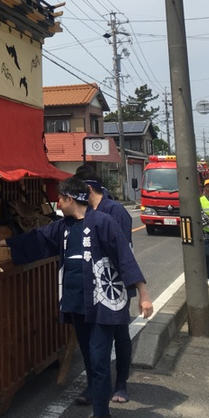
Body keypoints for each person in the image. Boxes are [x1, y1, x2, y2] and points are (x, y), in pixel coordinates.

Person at [0, 176, 153, 418]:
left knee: (100, 358)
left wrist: (143, 295)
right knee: (90, 358)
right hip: (78, 302)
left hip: (102, 302)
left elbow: (125, 256)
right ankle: (103, 411)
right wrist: (3, 245)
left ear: (69, 199)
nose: (57, 203)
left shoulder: (103, 222)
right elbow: (33, 240)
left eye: (60, 199)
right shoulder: (62, 228)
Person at [75, 164, 134, 405]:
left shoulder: (115, 210)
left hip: (113, 282)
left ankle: (121, 383)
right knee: (92, 337)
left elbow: (123, 250)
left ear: (88, 188)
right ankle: (95, 385)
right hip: (91, 284)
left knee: (119, 333)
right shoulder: (85, 211)